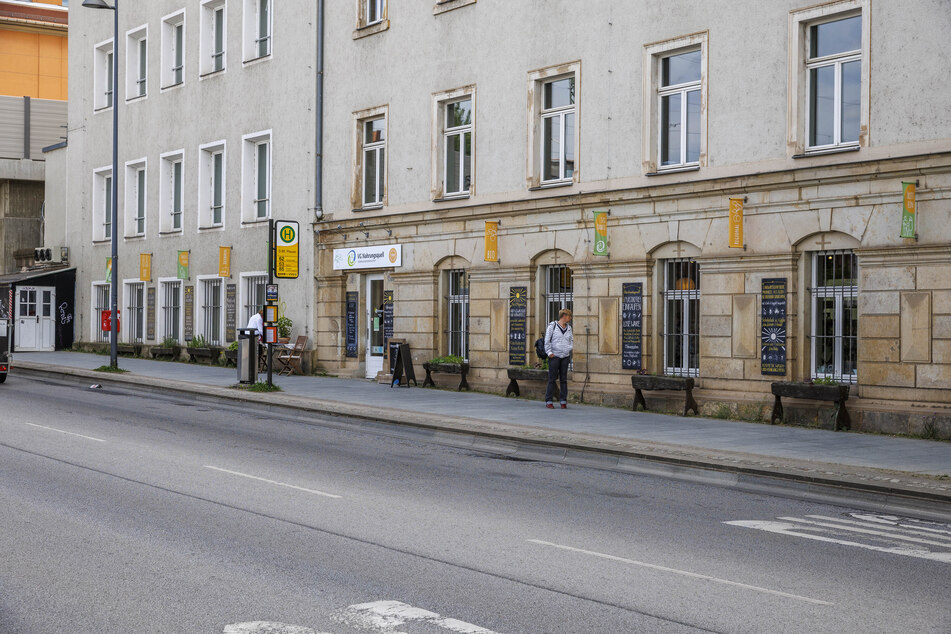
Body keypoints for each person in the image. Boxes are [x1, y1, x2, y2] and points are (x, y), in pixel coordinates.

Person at [544, 308, 573, 409]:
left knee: (563, 379)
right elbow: (547, 340)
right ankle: (548, 400)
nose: (570, 318)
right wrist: (549, 352)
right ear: (564, 316)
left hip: (565, 356)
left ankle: (563, 400)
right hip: (554, 356)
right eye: (569, 316)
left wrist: (568, 349)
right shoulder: (552, 326)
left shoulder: (569, 328)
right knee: (552, 379)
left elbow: (571, 340)